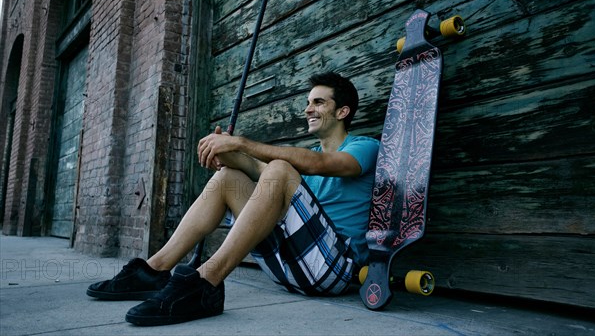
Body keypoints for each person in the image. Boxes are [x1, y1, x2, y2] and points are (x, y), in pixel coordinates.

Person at [86, 71, 380, 326]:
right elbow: (258, 168)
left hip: (334, 269)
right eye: (307, 102)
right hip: (292, 266)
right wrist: (229, 155)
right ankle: (154, 270)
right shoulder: (305, 160)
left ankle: (206, 282)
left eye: (318, 102)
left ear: (342, 112)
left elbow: (320, 166)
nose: (308, 109)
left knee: (279, 168)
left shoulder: (364, 147)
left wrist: (241, 142)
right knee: (229, 177)